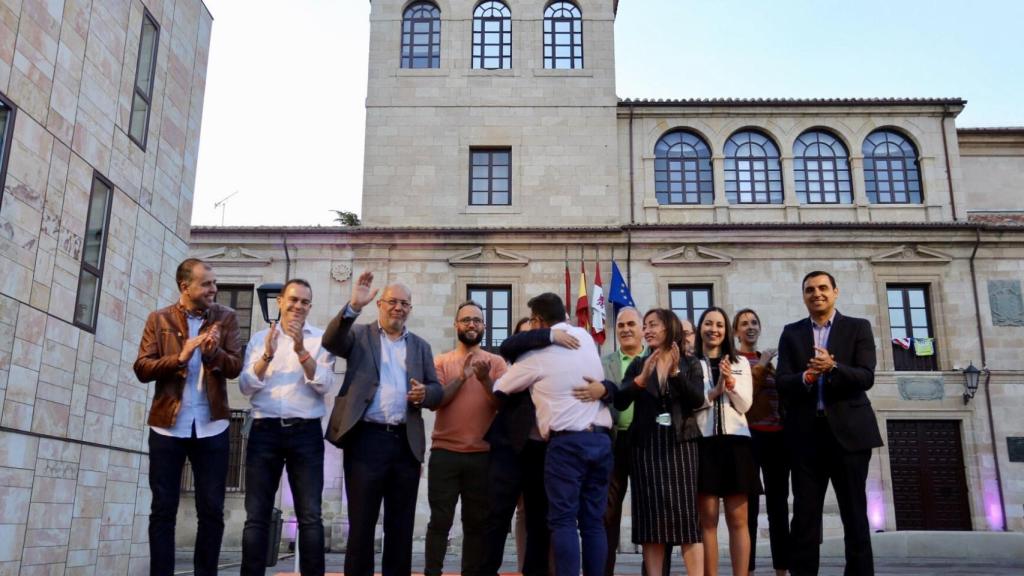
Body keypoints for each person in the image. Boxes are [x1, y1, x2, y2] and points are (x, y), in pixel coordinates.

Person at [321, 271, 444, 576]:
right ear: (380, 304)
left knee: (400, 527)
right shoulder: (360, 335)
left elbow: (437, 390)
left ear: (410, 309)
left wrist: (425, 393)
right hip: (365, 441)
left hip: (405, 444)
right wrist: (352, 306)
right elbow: (331, 341)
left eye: (404, 303)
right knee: (361, 524)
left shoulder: (421, 346)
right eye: (392, 301)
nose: (398, 308)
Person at [134, 258, 242, 576]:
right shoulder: (159, 318)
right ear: (185, 286)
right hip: (168, 426)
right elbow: (142, 367)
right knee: (162, 510)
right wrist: (178, 359)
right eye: (207, 283)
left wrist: (212, 354)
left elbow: (235, 366)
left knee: (211, 511)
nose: (214, 289)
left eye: (214, 283)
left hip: (213, 427)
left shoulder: (227, 317)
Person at [494, 293, 613, 576]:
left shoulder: (536, 356)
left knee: (562, 521)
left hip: (567, 444)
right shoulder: (585, 339)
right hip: (600, 439)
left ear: (537, 321)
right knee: (594, 523)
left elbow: (500, 386)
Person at [776, 271, 882, 576]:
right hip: (806, 438)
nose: (816, 293)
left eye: (823, 288)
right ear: (804, 296)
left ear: (835, 292)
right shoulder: (791, 333)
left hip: (850, 436)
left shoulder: (857, 328)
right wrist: (808, 376)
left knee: (855, 515)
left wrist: (832, 367)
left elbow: (866, 376)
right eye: (810, 289)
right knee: (805, 518)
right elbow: (783, 381)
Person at [238, 278, 336, 576]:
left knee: (310, 516)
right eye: (293, 300)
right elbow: (245, 386)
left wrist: (300, 350)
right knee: (256, 516)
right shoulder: (259, 339)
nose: (298, 306)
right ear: (280, 301)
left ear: (310, 307)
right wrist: (267, 354)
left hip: (305, 433)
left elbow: (324, 385)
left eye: (305, 302)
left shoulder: (320, 340)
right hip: (264, 430)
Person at [482, 317, 582, 576]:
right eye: (526, 335)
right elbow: (508, 345)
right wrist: (548, 334)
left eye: (534, 334)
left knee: (539, 521)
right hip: (508, 447)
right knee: (496, 518)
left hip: (542, 450)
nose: (531, 339)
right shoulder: (516, 359)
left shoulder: (554, 363)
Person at [614, 309, 706, 576]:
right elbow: (619, 400)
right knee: (651, 524)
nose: (647, 330)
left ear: (669, 327)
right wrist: (640, 381)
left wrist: (676, 373)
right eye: (646, 326)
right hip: (645, 448)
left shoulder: (691, 363)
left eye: (653, 324)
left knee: (687, 520)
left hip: (681, 446)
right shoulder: (638, 364)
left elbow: (698, 400)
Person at [424, 301, 508, 576]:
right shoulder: (440, 362)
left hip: (483, 455)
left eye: (477, 320)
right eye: (466, 320)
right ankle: (432, 572)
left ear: (484, 326)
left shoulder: (496, 363)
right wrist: (461, 378)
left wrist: (484, 380)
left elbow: (503, 407)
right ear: (456, 325)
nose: (471, 324)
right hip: (444, 454)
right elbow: (436, 402)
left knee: (476, 525)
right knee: (439, 521)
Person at [694, 307, 757, 576]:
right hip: (705, 444)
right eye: (708, 323)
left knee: (738, 518)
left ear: (727, 331)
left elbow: (745, 404)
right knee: (707, 520)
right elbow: (691, 405)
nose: (714, 329)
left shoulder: (740, 362)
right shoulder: (690, 362)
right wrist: (713, 391)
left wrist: (729, 383)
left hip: (736, 444)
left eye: (719, 325)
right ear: (700, 328)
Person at [734, 308, 789, 576]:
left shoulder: (768, 361)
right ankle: (750, 569)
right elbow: (743, 397)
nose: (750, 327)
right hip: (749, 438)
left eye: (754, 322)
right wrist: (762, 364)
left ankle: (782, 568)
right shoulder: (735, 360)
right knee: (750, 509)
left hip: (777, 436)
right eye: (744, 323)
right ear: (736, 332)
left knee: (779, 507)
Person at [601, 306, 646, 576]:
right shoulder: (603, 362)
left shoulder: (655, 359)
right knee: (607, 515)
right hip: (613, 443)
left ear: (642, 329)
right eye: (620, 325)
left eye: (631, 324)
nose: (626, 329)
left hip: (646, 445)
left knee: (649, 512)